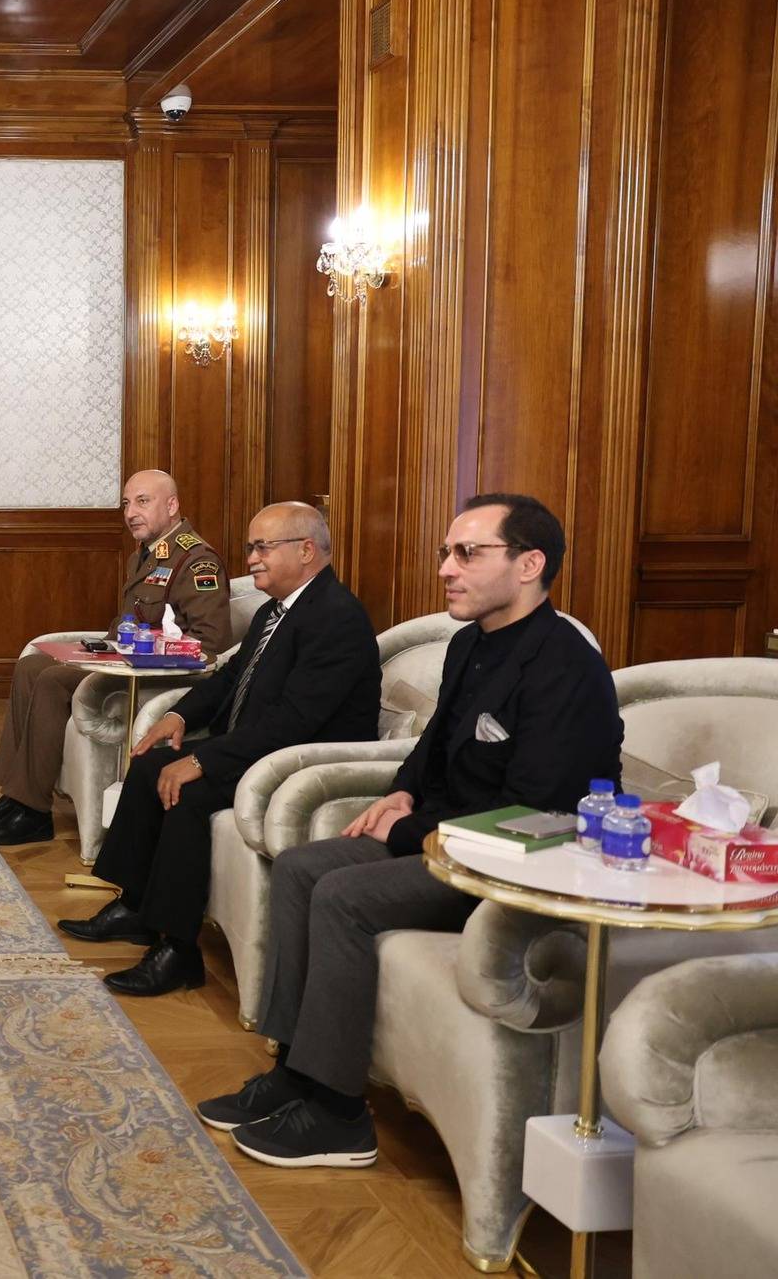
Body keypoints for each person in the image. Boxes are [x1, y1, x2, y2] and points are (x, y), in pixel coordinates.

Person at [194, 493, 622, 1169]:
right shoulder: (469, 643)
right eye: (446, 552)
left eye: (468, 553)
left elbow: (534, 810)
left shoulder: (565, 667)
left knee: (344, 896)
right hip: (443, 837)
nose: (446, 568)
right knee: (301, 866)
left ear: (529, 564)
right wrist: (402, 790)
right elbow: (433, 746)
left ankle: (338, 1114)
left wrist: (409, 826)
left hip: (510, 861)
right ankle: (294, 1070)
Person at [64, 503, 380, 996]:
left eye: (263, 547)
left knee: (186, 793)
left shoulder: (336, 617)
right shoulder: (278, 610)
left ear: (306, 550)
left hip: (297, 765)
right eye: (251, 547)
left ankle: (178, 951)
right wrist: (179, 716)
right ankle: (134, 906)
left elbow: (295, 721)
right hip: (257, 748)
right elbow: (231, 676)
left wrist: (202, 759)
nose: (251, 558)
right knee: (149, 767)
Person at [0, 469, 233, 846]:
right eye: (126, 504)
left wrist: (144, 650)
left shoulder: (195, 560)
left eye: (143, 502)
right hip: (123, 661)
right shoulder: (147, 553)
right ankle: (14, 796)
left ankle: (33, 812)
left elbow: (210, 644)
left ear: (172, 505)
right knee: (31, 666)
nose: (130, 513)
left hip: (156, 677)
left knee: (52, 680)